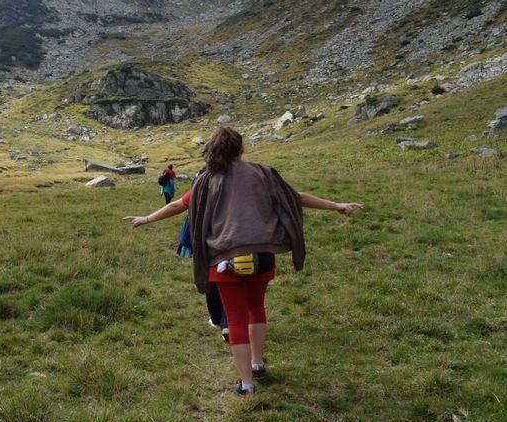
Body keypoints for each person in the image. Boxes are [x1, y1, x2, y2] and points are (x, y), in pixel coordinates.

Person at [124, 127, 362, 396]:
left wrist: (146, 219)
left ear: (213, 150)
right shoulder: (263, 173)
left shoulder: (205, 181)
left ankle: (246, 384)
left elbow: (178, 205)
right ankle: (258, 364)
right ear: (240, 149)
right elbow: (297, 198)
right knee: (256, 307)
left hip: (225, 261)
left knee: (235, 319)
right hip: (262, 256)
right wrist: (336, 205)